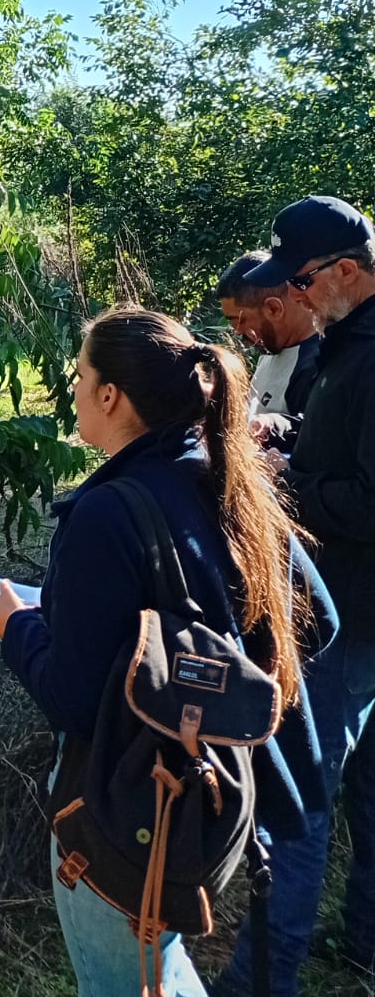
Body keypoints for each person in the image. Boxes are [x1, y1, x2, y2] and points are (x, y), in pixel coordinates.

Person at [0, 307, 321, 997]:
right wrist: (220, 682)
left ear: (110, 396)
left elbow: (73, 699)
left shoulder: (106, 514)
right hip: (218, 791)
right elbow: (318, 621)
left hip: (130, 807)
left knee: (130, 977)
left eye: (79, 376)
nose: (73, 390)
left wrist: (15, 625)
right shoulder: (226, 476)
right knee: (157, 967)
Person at [214, 195, 375, 990]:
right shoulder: (347, 345)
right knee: (367, 785)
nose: (295, 296)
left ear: (347, 270)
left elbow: (368, 501)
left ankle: (260, 979)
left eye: (302, 280)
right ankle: (365, 939)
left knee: (303, 792)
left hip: (355, 613)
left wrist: (290, 486)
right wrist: (292, 438)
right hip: (351, 603)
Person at [216, 250, 319, 451]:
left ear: (274, 308)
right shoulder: (271, 347)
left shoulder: (315, 365)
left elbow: (314, 442)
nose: (236, 331)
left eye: (240, 320)